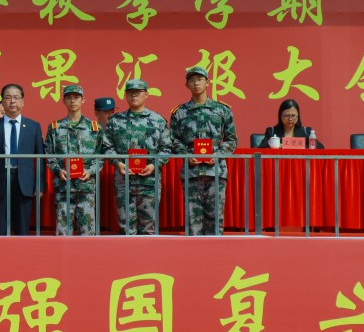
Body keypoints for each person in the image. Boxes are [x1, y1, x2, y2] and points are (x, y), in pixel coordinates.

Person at [170, 66, 238, 236]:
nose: (196, 83)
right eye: (192, 80)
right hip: (192, 172)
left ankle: (216, 252)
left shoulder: (222, 110)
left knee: (215, 221)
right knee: (193, 223)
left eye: (199, 79)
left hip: (216, 171)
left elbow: (231, 139)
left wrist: (218, 155)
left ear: (207, 82)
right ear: (186, 85)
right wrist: (187, 155)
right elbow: (173, 140)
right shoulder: (180, 112)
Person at [102, 79, 172, 235]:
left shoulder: (158, 120)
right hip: (124, 180)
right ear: (125, 95)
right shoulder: (115, 121)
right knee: (126, 228)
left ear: (146, 94)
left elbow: (166, 148)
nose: (134, 95)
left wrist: (154, 165)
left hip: (149, 180)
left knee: (149, 229)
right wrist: (118, 163)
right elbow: (107, 147)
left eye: (138, 92)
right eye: (130, 92)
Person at [0, 83, 45, 236]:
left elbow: (40, 159)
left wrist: (39, 185)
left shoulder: (33, 126)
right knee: (1, 228)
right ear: (2, 102)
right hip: (0, 179)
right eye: (8, 98)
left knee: (23, 228)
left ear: (22, 101)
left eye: (16, 97)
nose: (12, 101)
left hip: (25, 181)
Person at [45, 85, 103, 236]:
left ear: (83, 100)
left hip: (86, 187)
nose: (72, 101)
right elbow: (49, 155)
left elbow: (100, 157)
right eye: (69, 98)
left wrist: (90, 171)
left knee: (87, 233)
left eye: (76, 97)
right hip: (63, 186)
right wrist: (58, 170)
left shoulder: (94, 128)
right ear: (63, 101)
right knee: (63, 233)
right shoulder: (55, 128)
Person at [256, 99, 324, 149]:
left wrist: (299, 146)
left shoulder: (306, 131)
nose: (290, 119)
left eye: (293, 115)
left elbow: (320, 147)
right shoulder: (272, 131)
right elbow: (261, 148)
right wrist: (275, 146)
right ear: (280, 116)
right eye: (286, 116)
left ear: (297, 117)